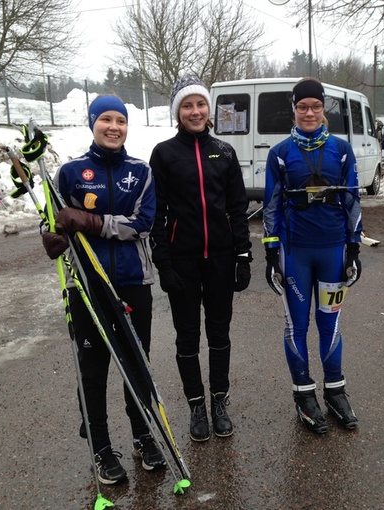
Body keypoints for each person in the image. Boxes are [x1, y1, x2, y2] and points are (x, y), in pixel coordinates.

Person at [40, 95, 163, 485]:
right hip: (86, 284)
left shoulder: (140, 172)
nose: (114, 127)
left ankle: (143, 434)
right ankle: (101, 445)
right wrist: (50, 235)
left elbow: (142, 224)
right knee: (93, 369)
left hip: (133, 282)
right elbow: (52, 217)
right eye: (106, 119)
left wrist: (92, 222)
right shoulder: (71, 172)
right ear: (92, 123)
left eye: (120, 121)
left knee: (136, 363)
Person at [149, 77, 252, 442]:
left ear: (210, 110)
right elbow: (157, 212)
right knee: (188, 336)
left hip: (221, 259)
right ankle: (196, 405)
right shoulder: (164, 154)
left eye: (201, 104)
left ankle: (219, 400)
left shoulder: (224, 152)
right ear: (177, 112)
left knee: (219, 333)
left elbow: (238, 208)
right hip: (183, 262)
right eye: (187, 105)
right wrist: (163, 262)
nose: (195, 111)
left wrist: (243, 256)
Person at [263, 77, 362, 433]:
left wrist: (354, 247)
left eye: (315, 106)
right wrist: (271, 253)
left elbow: (352, 200)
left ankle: (335, 391)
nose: (309, 113)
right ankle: (304, 394)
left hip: (333, 250)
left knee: (329, 323)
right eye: (303, 107)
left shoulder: (341, 149)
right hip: (296, 253)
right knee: (297, 325)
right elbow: (271, 205)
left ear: (323, 109)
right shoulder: (280, 153)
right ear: (294, 109)